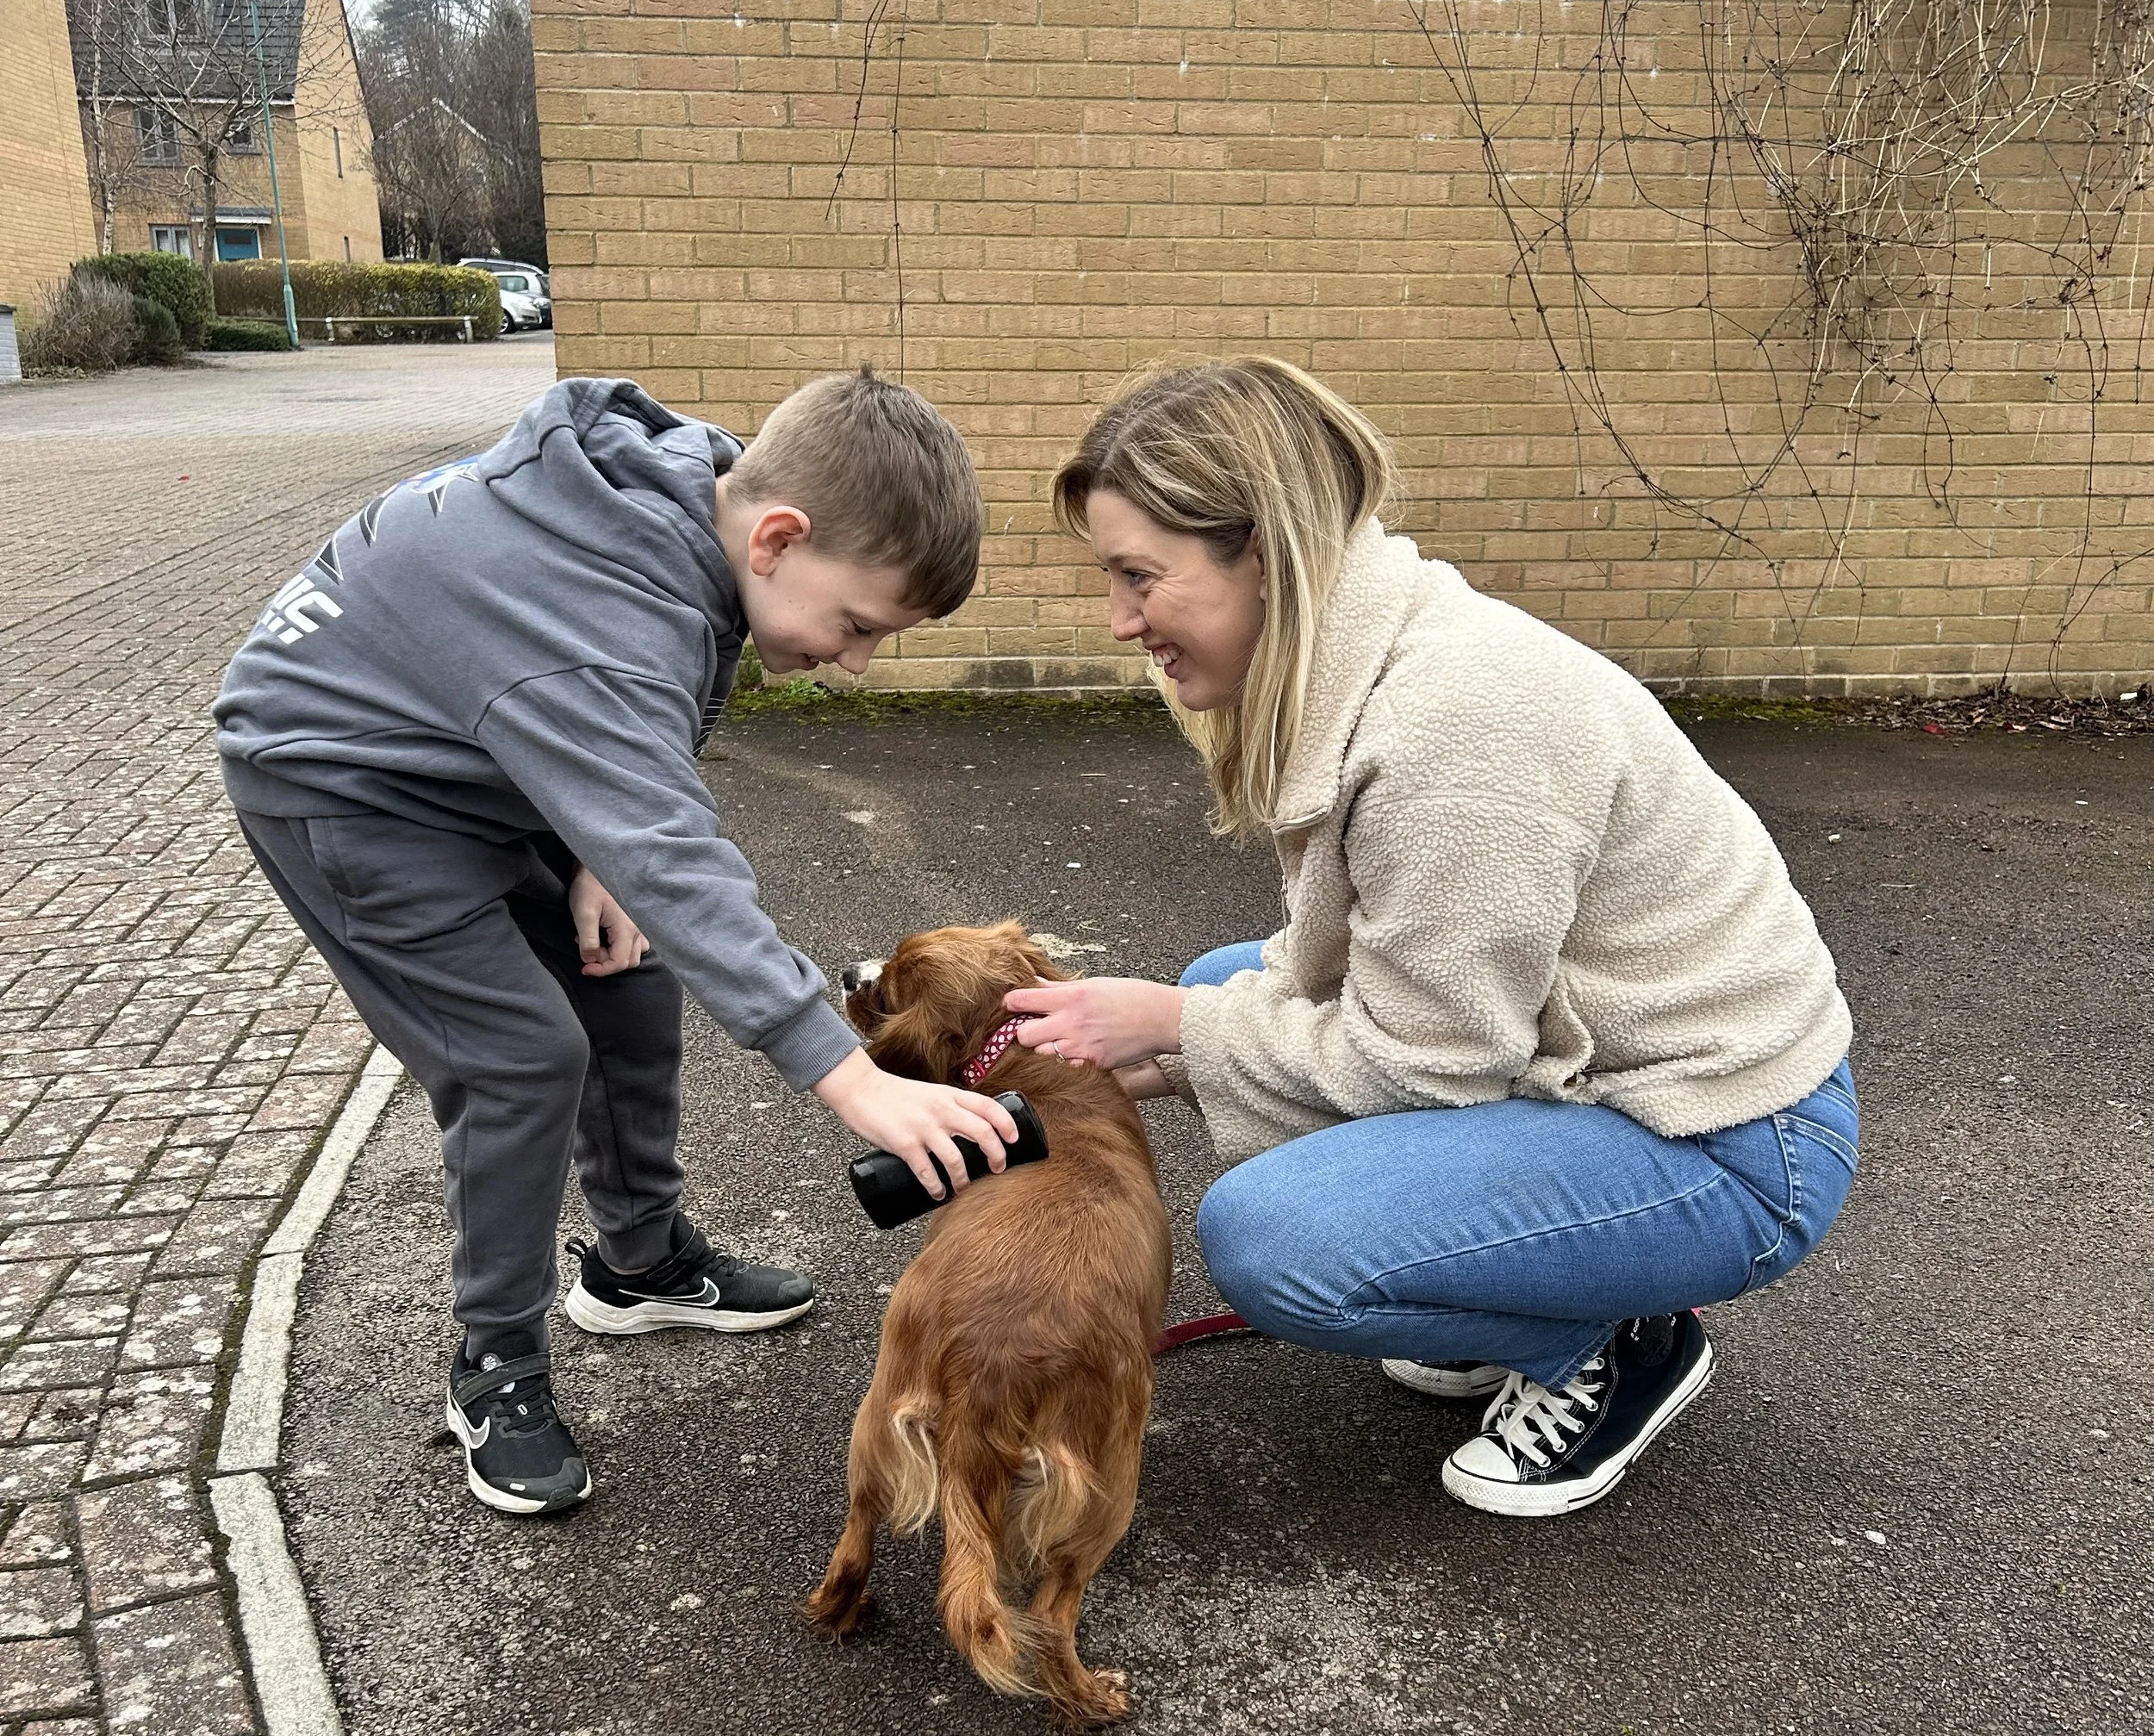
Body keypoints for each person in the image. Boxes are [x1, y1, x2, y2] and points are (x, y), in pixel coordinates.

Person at [1005, 359, 1857, 1519]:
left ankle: (1609, 1349)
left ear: (1262, 553)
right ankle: (1528, 1275)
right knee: (1221, 986)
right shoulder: (1375, 658)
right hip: (1598, 1077)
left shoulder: (1460, 729)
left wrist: (1178, 1032)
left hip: (1730, 1142)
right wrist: (1181, 1035)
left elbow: (1436, 1062)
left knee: (1272, 1243)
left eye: (1139, 577)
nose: (1119, 621)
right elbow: (1386, 984)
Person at [215, 370, 1017, 1519]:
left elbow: (664, 713)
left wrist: (597, 853)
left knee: (628, 985)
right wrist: (848, 1079)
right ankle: (493, 1361)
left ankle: (638, 1267)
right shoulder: (604, 604)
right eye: (857, 627)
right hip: (343, 785)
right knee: (521, 1058)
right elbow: (672, 843)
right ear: (781, 537)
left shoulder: (701, 504)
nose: (855, 665)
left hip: (480, 760)